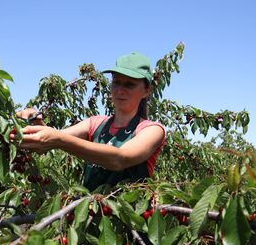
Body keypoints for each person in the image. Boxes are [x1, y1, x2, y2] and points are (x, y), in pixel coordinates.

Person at [16, 52, 165, 191]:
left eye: (129, 84)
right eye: (116, 82)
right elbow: (53, 137)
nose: (120, 90)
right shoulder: (96, 124)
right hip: (91, 214)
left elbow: (119, 159)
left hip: (130, 217)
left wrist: (56, 139)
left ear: (147, 90)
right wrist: (35, 123)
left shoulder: (152, 130)